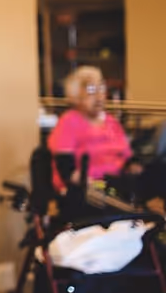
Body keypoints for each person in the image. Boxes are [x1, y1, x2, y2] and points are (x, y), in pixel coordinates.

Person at [48, 66, 166, 204]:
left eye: (101, 88)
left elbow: (127, 156)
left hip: (119, 181)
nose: (99, 96)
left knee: (160, 171)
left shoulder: (110, 121)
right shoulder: (69, 122)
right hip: (92, 187)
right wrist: (93, 185)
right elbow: (66, 170)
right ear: (76, 95)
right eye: (91, 90)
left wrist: (134, 165)